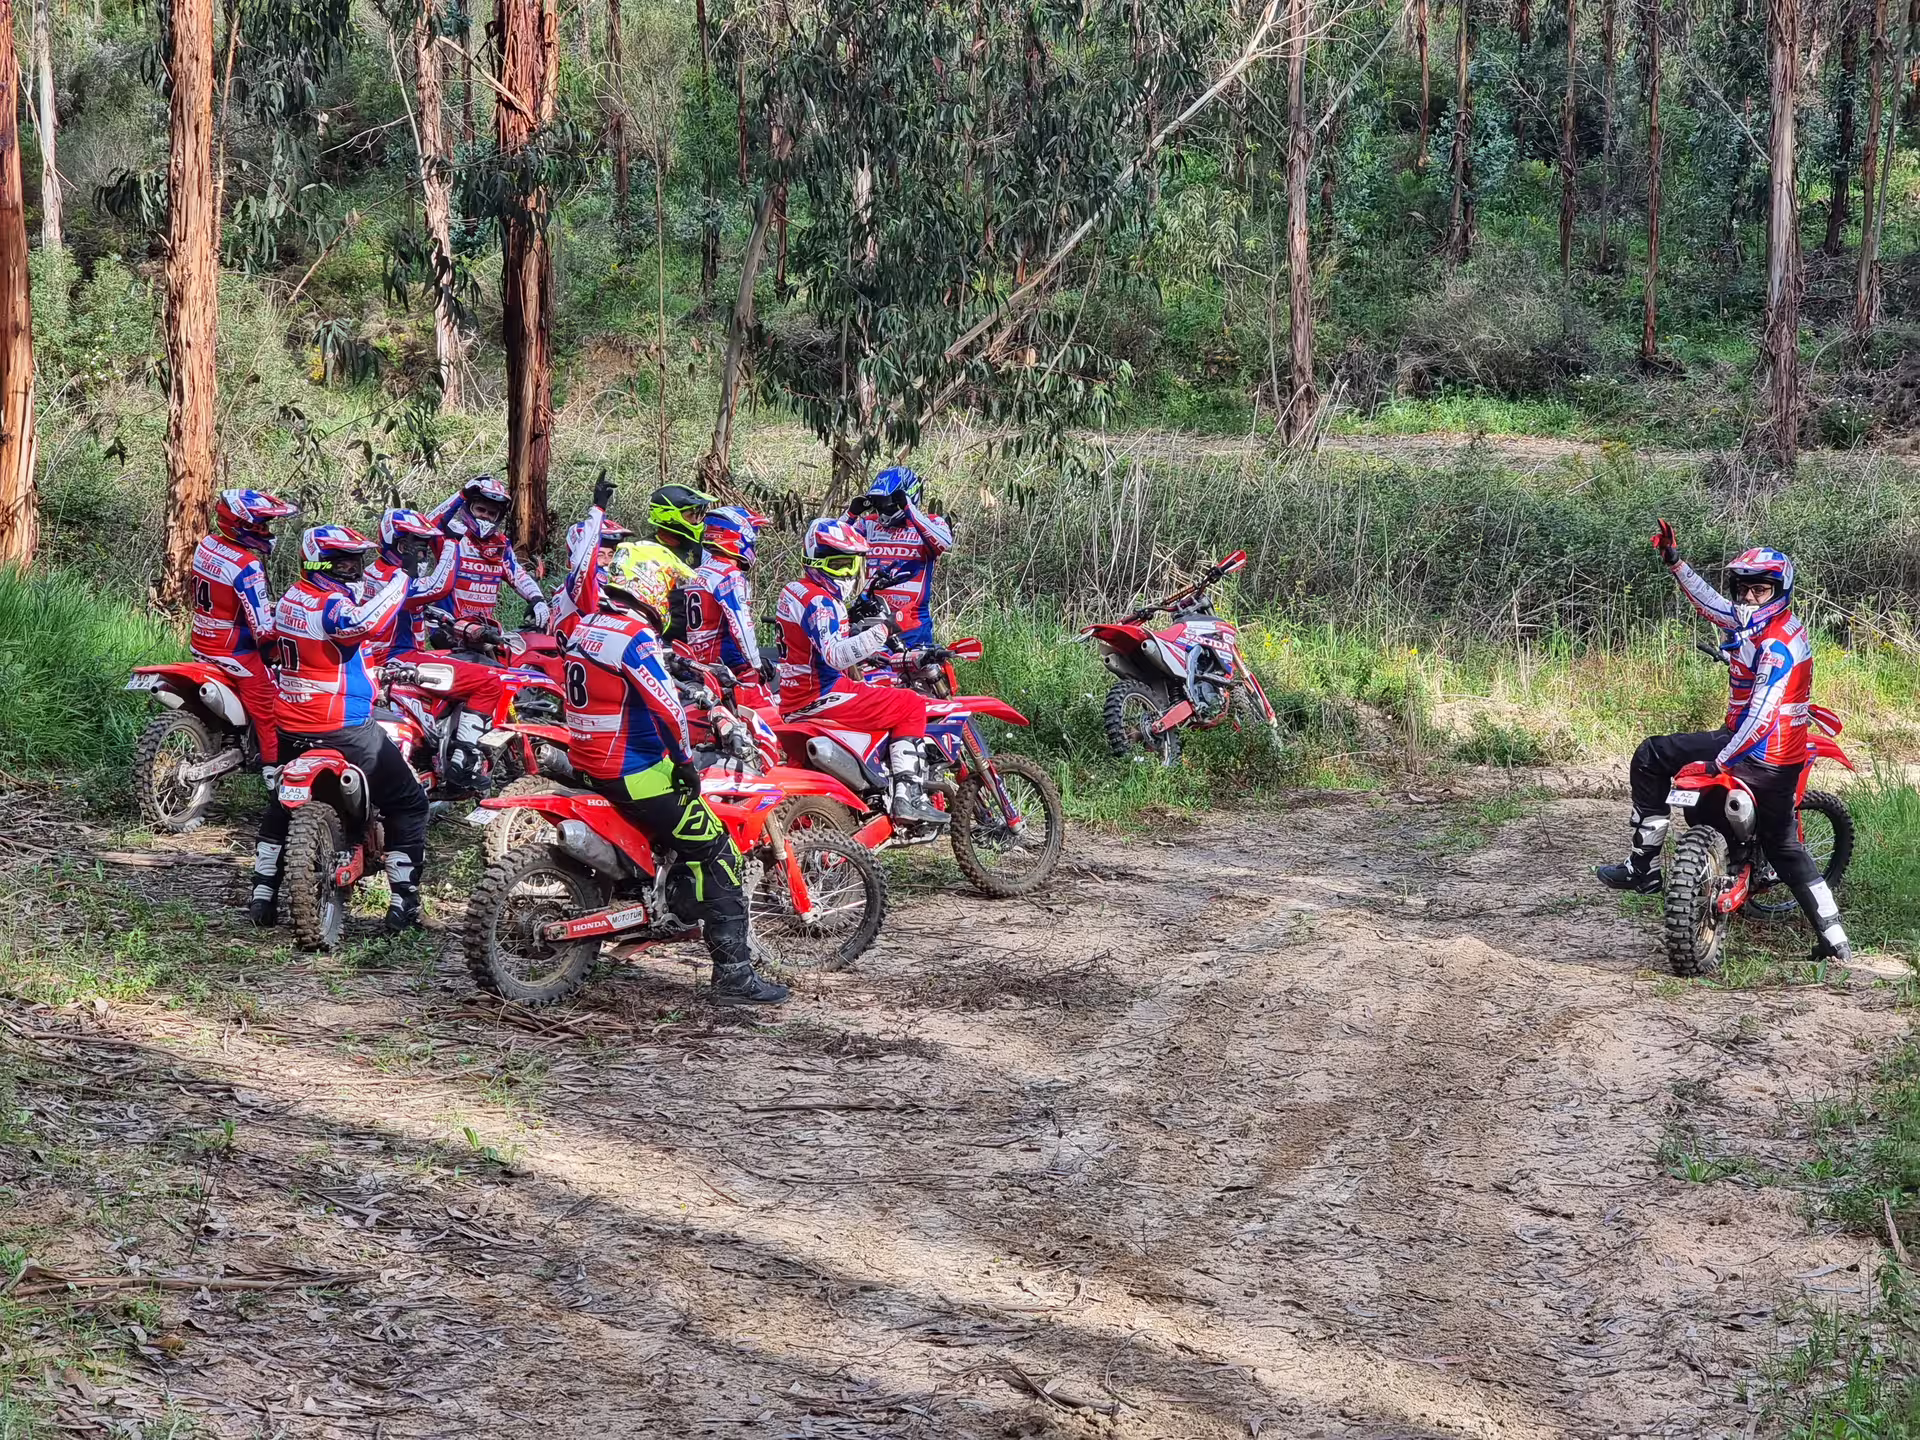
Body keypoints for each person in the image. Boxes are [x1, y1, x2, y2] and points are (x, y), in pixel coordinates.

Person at [1597, 520, 1851, 962]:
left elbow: (1760, 716)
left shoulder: (1777, 645)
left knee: (1654, 755)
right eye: (1744, 588)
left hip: (1760, 753)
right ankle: (1834, 941)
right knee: (1782, 846)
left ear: (1781, 590)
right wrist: (1676, 563)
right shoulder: (1761, 622)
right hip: (1768, 750)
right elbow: (1710, 603)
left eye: (1761, 590)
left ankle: (1644, 867)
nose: (1749, 597)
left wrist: (1722, 761)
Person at [564, 541, 789, 1004]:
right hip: (635, 771)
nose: (671, 602)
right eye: (668, 591)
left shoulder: (586, 625)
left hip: (587, 761)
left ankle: (654, 897)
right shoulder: (635, 636)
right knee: (717, 849)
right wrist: (685, 762)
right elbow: (668, 710)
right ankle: (734, 976)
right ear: (649, 586)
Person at [248, 527, 430, 934]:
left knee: (280, 802)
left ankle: (262, 891)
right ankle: (404, 902)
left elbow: (326, 656)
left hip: (291, 725)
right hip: (341, 727)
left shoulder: (291, 598)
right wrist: (403, 575)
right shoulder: (329, 606)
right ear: (318, 563)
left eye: (355, 560)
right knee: (410, 803)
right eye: (342, 560)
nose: (352, 568)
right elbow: (363, 622)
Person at [774, 518, 945, 825]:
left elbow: (816, 645)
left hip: (793, 695)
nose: (849, 574)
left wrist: (858, 635)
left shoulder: (793, 591)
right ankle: (909, 797)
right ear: (817, 561)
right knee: (910, 704)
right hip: (823, 693)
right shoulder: (822, 602)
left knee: (875, 689)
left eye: (852, 565)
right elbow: (836, 655)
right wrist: (884, 630)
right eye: (840, 565)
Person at [190, 489, 299, 767]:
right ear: (243, 526)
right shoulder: (247, 565)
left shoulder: (206, 545)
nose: (265, 531)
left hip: (201, 641)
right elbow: (262, 630)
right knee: (271, 712)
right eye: (260, 526)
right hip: (234, 651)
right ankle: (274, 774)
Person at [844, 466, 953, 648]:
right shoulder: (869, 524)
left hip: (913, 626)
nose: (883, 507)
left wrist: (908, 507)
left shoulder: (932, 522)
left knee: (918, 675)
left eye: (887, 501)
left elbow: (943, 543)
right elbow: (830, 542)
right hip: (872, 622)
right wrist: (850, 515)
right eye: (878, 502)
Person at [425, 474, 550, 631]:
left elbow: (517, 575)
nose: (485, 515)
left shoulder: (501, 545)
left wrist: (537, 599)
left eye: (491, 513)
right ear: (468, 507)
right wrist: (461, 495)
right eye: (480, 509)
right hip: (448, 628)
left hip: (483, 631)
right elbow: (427, 525)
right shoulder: (453, 537)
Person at [685, 505, 771, 682]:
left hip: (697, 662)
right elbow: (741, 627)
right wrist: (756, 665)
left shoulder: (698, 572)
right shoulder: (730, 576)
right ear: (738, 535)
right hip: (725, 664)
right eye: (753, 533)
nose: (754, 539)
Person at [549, 474, 631, 640]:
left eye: (612, 554)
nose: (607, 561)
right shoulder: (580, 587)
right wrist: (598, 510)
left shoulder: (615, 582)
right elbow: (583, 563)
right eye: (600, 555)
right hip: (578, 657)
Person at [645, 481, 715, 643]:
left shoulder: (698, 546)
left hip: (698, 636)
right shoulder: (646, 551)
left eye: (697, 515)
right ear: (669, 515)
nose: (696, 520)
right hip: (662, 638)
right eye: (690, 515)